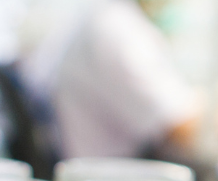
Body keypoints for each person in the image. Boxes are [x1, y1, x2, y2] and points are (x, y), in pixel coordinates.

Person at [22, 0, 199, 161]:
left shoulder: (102, 17)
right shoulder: (118, 30)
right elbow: (178, 127)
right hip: (107, 177)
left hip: (98, 168)